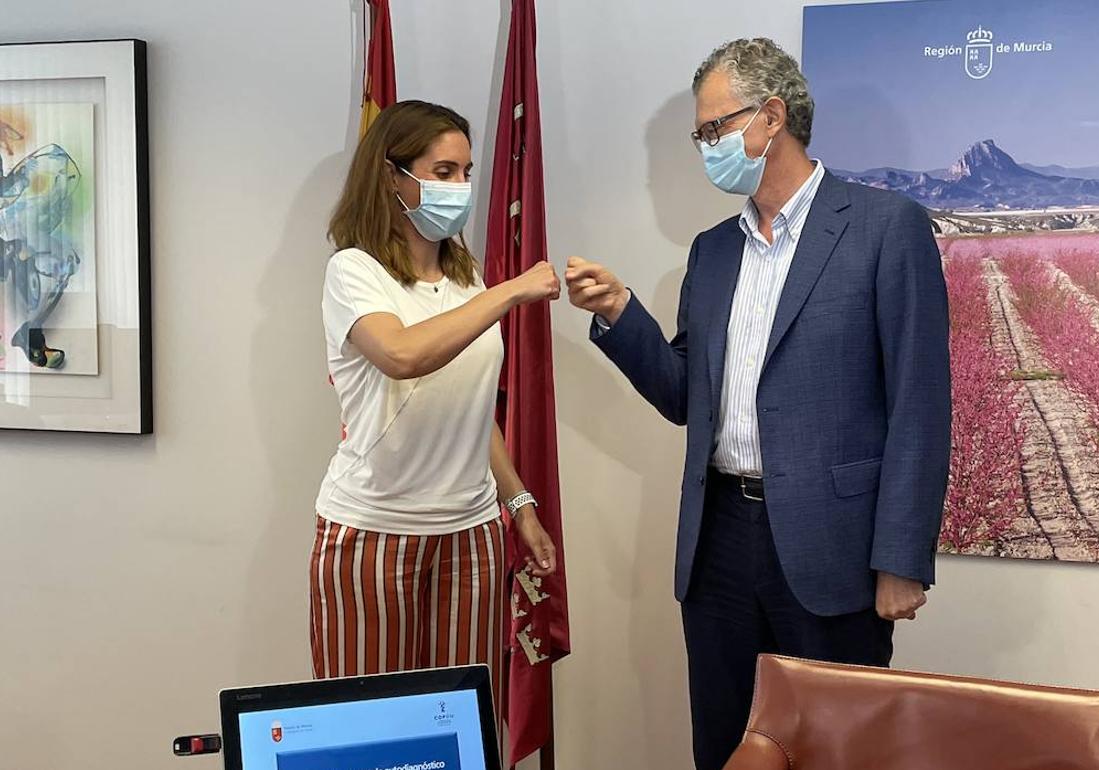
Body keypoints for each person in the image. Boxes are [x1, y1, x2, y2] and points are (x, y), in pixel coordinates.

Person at [566, 39, 951, 769]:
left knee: (838, 750)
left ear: (771, 117)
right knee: (726, 748)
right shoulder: (713, 252)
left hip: (833, 549)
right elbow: (685, 398)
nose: (706, 147)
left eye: (715, 129)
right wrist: (620, 312)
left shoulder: (884, 227)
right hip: (718, 547)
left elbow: (921, 405)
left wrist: (901, 558)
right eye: (700, 136)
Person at [309, 101, 561, 719]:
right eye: (443, 171)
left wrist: (520, 504)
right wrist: (512, 290)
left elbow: (471, 407)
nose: (461, 188)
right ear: (393, 178)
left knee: (458, 727)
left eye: (467, 173)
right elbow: (401, 355)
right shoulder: (354, 271)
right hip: (372, 534)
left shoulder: (465, 275)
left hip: (470, 534)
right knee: (368, 729)